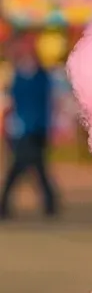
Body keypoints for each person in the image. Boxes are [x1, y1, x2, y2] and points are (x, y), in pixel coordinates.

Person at [0, 35, 60, 218]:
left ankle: (5, 205)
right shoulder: (17, 76)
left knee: (22, 168)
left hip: (36, 129)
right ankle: (50, 204)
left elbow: (49, 103)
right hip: (22, 130)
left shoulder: (40, 76)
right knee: (34, 168)